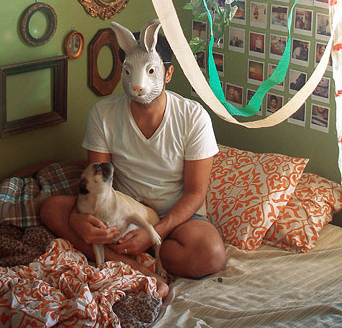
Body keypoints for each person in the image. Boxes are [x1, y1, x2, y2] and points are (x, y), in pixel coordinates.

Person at [40, 20, 226, 294]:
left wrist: (155, 232)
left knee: (211, 254)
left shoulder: (193, 117)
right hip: (122, 212)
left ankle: (137, 254)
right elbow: (97, 180)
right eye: (129, 71)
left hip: (176, 219)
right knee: (52, 209)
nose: (139, 85)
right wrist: (80, 217)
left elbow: (196, 193)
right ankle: (135, 267)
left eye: (151, 71)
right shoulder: (103, 114)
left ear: (168, 73)